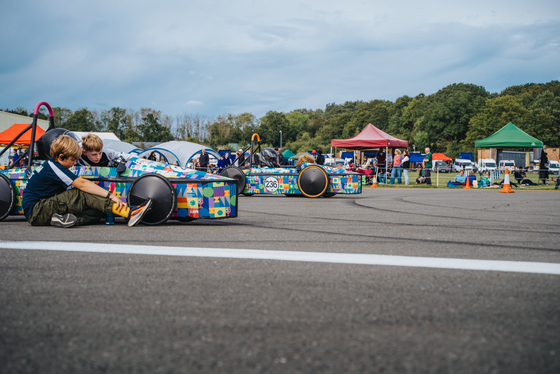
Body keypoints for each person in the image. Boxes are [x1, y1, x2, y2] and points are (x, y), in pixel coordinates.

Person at [21, 135, 151, 228]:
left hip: (45, 208)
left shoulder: (55, 165)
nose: (75, 163)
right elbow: (82, 185)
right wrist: (111, 196)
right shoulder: (53, 167)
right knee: (81, 193)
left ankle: (61, 219)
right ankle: (129, 212)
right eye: (72, 160)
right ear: (61, 157)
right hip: (36, 210)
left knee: (97, 211)